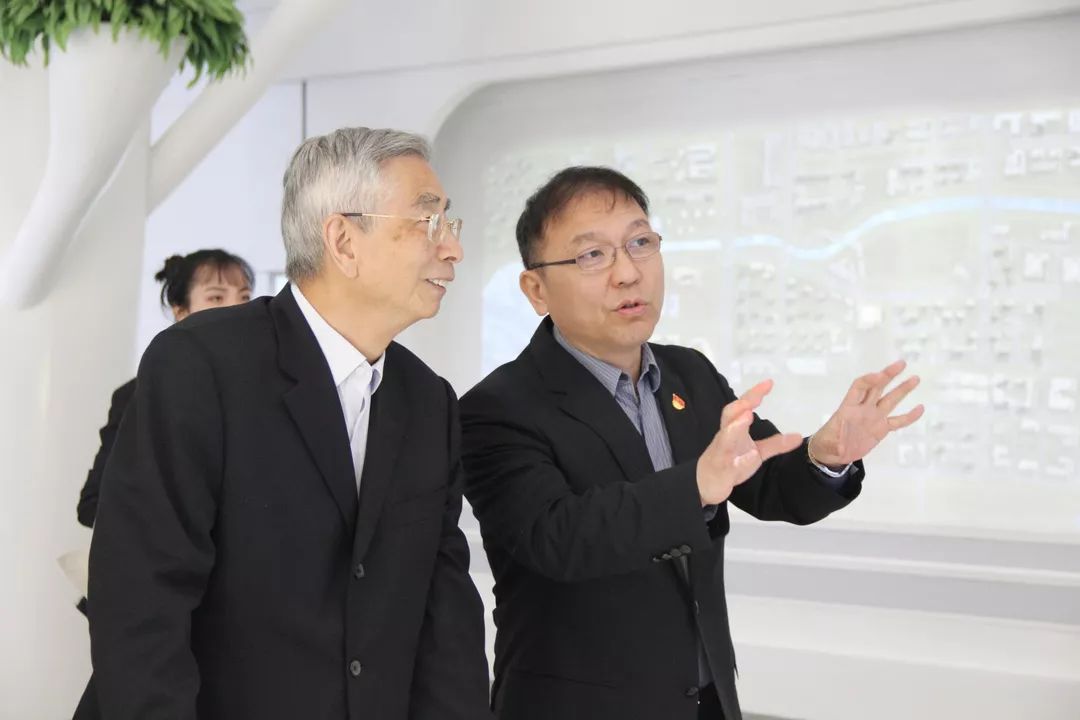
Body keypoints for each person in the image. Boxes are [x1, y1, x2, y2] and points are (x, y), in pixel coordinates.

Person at [460, 166, 924, 720]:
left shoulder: (690, 375)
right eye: (592, 255)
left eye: (640, 243)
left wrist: (826, 456)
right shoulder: (497, 408)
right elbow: (559, 538)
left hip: (704, 700)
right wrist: (696, 487)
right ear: (536, 290)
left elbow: (771, 485)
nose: (628, 273)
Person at [87, 127, 492, 720]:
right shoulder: (201, 364)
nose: (452, 247)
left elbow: (445, 616)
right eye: (427, 220)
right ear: (344, 241)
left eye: (448, 222)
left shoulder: (428, 401)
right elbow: (140, 601)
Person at [76, 249, 255, 529]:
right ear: (181, 311)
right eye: (216, 298)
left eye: (244, 297)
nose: (238, 309)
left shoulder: (266, 390)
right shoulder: (138, 396)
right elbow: (94, 503)